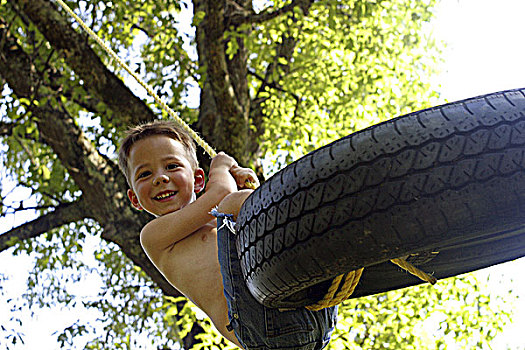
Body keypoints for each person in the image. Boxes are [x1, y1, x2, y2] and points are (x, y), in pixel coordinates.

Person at [118, 120, 338, 349]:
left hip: (310, 313)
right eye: (144, 174)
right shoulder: (153, 236)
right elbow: (222, 193)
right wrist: (221, 168)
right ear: (134, 198)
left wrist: (249, 189)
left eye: (172, 166)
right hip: (263, 328)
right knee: (233, 203)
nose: (160, 178)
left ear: (198, 180)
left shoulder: (222, 222)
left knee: (250, 207)